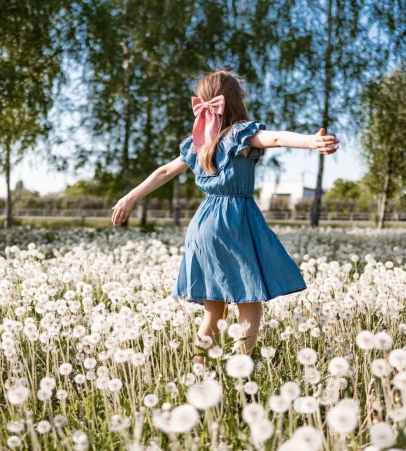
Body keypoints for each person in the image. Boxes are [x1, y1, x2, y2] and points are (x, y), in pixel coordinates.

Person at [111, 70, 339, 359]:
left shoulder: (200, 142)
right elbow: (277, 139)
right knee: (251, 301)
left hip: (203, 223)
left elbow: (165, 171)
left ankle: (200, 371)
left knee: (213, 312)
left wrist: (130, 197)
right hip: (234, 221)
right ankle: (239, 373)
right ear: (236, 101)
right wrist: (310, 141)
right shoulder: (240, 134)